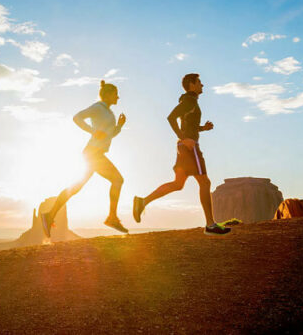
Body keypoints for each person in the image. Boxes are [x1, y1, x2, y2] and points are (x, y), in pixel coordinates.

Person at [132, 73, 231, 236]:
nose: (202, 85)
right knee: (204, 182)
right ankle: (210, 225)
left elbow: (187, 124)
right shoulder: (189, 101)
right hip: (190, 147)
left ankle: (142, 202)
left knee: (178, 184)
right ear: (192, 85)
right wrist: (184, 138)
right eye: (199, 82)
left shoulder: (189, 101)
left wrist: (202, 129)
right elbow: (171, 118)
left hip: (184, 147)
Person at [40, 80, 129, 237]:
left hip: (95, 153)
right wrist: (92, 131)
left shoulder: (109, 112)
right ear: (108, 94)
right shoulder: (98, 107)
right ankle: (112, 217)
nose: (118, 97)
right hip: (93, 153)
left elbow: (109, 135)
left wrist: (120, 126)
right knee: (117, 180)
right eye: (116, 94)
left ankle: (49, 215)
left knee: (76, 187)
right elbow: (77, 117)